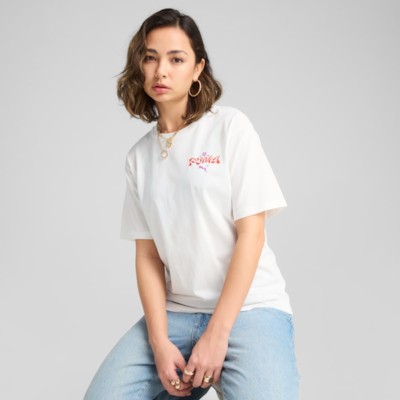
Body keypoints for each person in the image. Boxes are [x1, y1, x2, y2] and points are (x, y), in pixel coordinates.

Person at [84, 8, 299, 400]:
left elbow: (251, 234)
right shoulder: (139, 157)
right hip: (177, 314)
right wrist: (159, 342)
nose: (161, 71)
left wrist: (217, 334)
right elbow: (148, 256)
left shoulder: (230, 127)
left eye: (176, 59)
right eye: (150, 58)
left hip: (250, 309)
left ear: (198, 68)